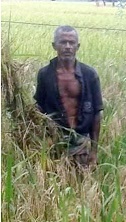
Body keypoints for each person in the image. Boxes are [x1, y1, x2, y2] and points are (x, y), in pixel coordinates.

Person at [34, 25, 103, 166]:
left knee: (81, 185)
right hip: (54, 142)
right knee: (52, 184)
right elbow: (38, 108)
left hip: (81, 142)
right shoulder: (45, 74)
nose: (67, 46)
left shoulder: (89, 75)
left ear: (78, 46)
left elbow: (97, 113)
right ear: (54, 45)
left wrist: (94, 151)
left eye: (71, 43)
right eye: (63, 42)